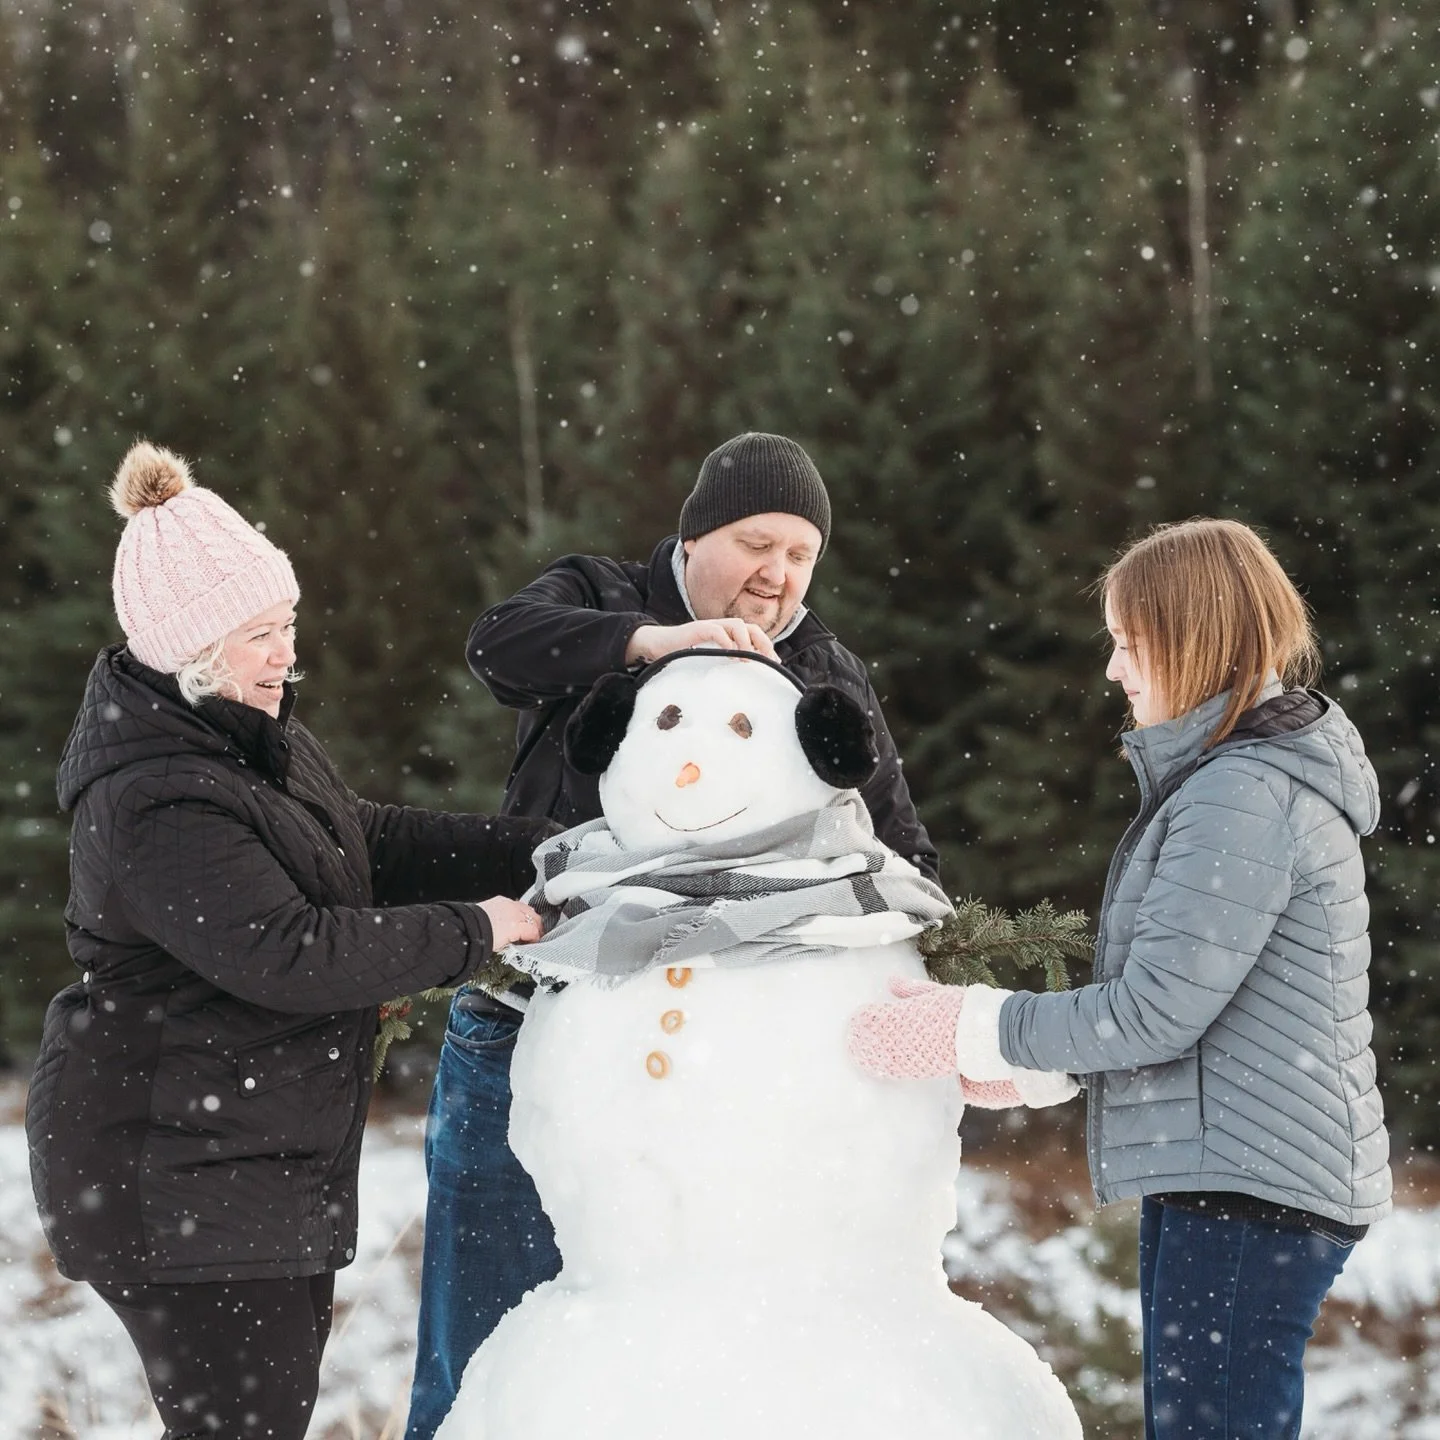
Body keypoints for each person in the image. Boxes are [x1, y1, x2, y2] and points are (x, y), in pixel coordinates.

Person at [405, 431, 940, 1438]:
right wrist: (652, 645)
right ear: (694, 536)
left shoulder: (819, 665)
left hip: (717, 1067)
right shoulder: (600, 597)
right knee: (476, 1351)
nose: (777, 574)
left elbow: (898, 846)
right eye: (755, 542)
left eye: (800, 556)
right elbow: (498, 645)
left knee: (660, 1357)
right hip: (528, 1021)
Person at [25, 441, 549, 1440]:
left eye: (288, 626)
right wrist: (477, 931)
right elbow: (291, 953)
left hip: (242, 1164)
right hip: (169, 1169)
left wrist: (539, 850)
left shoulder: (244, 737)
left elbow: (364, 840)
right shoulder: (155, 800)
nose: (285, 656)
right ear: (191, 648)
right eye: (260, 636)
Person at [847, 518, 1392, 1440]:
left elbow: (1153, 1014)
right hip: (1243, 1176)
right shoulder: (1240, 780)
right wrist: (1036, 1067)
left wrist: (967, 1026)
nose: (1113, 670)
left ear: (1190, 639)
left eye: (1128, 643)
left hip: (1250, 1187)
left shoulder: (1240, 794)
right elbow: (1198, 1006)